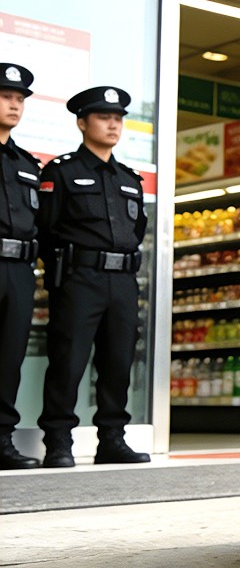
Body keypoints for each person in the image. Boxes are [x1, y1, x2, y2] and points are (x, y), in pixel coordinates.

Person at [36, 86, 149, 468]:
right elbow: (46, 229)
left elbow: (138, 232)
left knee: (118, 362)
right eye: (104, 118)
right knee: (68, 360)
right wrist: (60, 277)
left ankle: (112, 439)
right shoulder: (61, 171)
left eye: (118, 119)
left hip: (122, 281)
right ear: (82, 123)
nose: (113, 124)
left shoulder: (130, 178)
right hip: (79, 279)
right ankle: (58, 441)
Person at [0, 62, 41, 470]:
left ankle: (2, 439)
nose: (14, 105)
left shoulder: (28, 165)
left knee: (9, 357)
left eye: (19, 99)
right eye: (5, 96)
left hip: (18, 270)